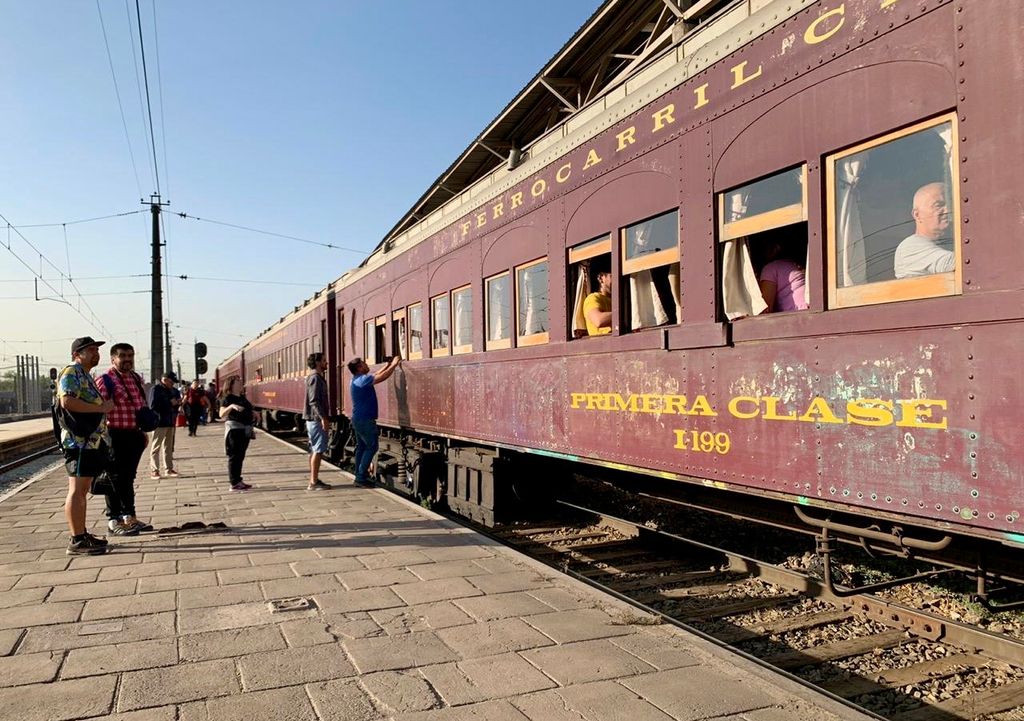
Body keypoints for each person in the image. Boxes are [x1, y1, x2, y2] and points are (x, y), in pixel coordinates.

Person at [56, 337, 113, 555]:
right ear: (76, 354)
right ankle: (77, 539)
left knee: (82, 490)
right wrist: (101, 408)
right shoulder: (72, 372)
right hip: (78, 442)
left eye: (96, 350)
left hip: (88, 441)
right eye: (90, 350)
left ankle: (82, 533)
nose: (95, 353)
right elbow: (67, 402)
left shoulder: (84, 374)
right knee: (77, 490)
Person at [94, 343, 153, 536]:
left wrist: (142, 432)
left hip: (134, 434)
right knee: (114, 478)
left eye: (130, 355)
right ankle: (114, 519)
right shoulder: (106, 380)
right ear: (113, 359)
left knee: (128, 477)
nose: (127, 359)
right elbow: (98, 409)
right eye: (122, 356)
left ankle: (130, 517)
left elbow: (140, 405)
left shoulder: (135, 378)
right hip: (114, 434)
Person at [347, 354, 401, 487]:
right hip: (365, 419)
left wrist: (387, 365)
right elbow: (381, 377)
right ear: (360, 367)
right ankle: (360, 477)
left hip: (358, 419)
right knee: (372, 446)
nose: (367, 365)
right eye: (364, 363)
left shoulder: (356, 379)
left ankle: (358, 475)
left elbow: (376, 373)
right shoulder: (363, 380)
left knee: (362, 447)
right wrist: (394, 364)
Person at [894, 182, 955, 279]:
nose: (948, 210)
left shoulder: (949, 243)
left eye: (951, 204)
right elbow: (954, 264)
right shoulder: (910, 247)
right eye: (938, 205)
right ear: (917, 215)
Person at [219, 375, 259, 491]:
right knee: (234, 456)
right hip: (234, 430)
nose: (240, 383)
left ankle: (238, 480)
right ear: (231, 385)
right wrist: (231, 406)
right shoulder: (228, 398)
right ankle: (234, 483)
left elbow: (247, 409)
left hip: (245, 430)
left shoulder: (242, 397)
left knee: (240, 456)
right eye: (237, 381)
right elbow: (221, 414)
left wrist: (254, 412)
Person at [303, 352, 333, 491]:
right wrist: (323, 418)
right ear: (317, 363)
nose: (326, 363)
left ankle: (313, 479)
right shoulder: (315, 378)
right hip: (315, 419)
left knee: (314, 449)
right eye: (324, 361)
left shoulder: (315, 377)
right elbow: (313, 401)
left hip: (313, 419)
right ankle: (313, 482)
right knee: (318, 450)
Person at [148, 371, 181, 479]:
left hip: (170, 421)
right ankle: (154, 470)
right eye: (171, 382)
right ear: (165, 379)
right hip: (159, 422)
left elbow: (175, 405)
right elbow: (153, 406)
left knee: (168, 447)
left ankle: (169, 469)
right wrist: (169, 403)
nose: (173, 384)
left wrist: (177, 404)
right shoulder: (156, 390)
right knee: (156, 447)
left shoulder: (173, 391)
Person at [759, 242, 808, 313]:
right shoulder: (793, 265)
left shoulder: (770, 268)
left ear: (776, 248)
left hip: (797, 314)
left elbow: (766, 308)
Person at [583, 267, 612, 336]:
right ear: (601, 278)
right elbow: (598, 320)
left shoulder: (615, 300)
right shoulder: (593, 298)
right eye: (612, 276)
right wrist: (624, 315)